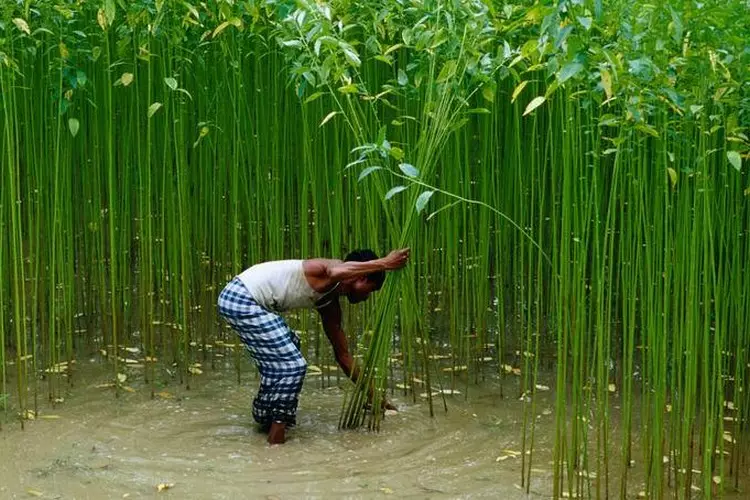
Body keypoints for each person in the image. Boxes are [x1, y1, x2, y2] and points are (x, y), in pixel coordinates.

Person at [217, 248, 410, 444]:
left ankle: (264, 416)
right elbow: (336, 272)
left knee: (289, 349)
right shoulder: (328, 268)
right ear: (362, 278)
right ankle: (276, 439)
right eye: (371, 289)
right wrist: (386, 263)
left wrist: (375, 397)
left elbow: (343, 356)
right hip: (240, 298)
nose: (367, 297)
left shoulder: (328, 301)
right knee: (294, 365)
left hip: (245, 301)